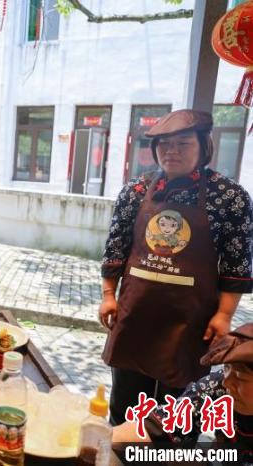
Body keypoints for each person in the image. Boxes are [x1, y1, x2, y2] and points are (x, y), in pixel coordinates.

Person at [99, 109, 253, 424]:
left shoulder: (229, 197)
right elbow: (116, 247)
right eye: (164, 144)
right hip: (136, 312)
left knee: (179, 412)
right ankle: (121, 447)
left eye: (183, 143)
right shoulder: (135, 191)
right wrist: (108, 295)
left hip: (191, 320)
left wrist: (224, 315)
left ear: (204, 146)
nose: (171, 151)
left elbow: (236, 263)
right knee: (126, 405)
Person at [112, 323, 253, 465]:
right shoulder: (217, 387)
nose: (227, 382)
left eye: (240, 377)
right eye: (227, 367)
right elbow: (157, 426)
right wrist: (105, 440)